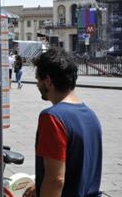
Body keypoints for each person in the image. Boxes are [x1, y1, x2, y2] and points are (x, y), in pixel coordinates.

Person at [23, 48, 102, 197]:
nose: (37, 85)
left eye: (38, 80)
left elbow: (56, 179)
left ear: (47, 81)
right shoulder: (91, 115)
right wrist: (40, 186)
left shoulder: (52, 117)